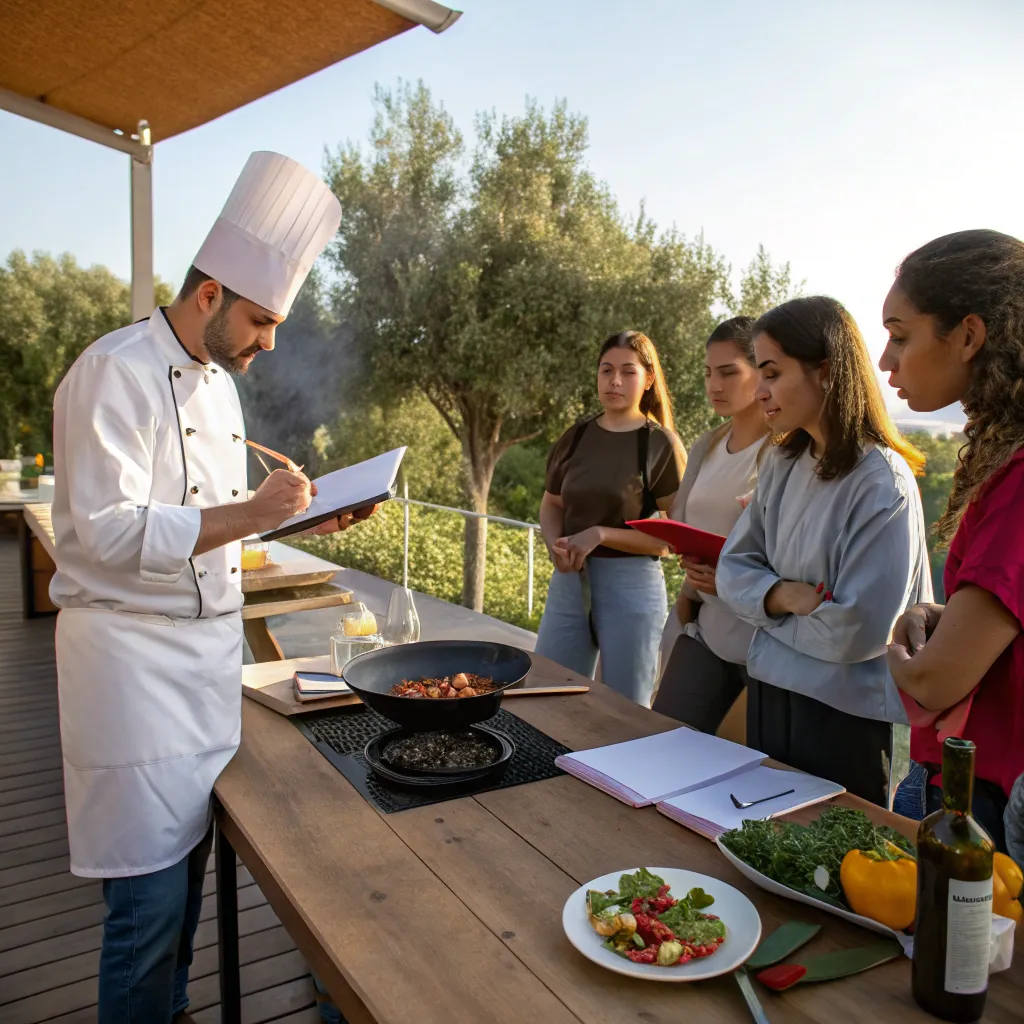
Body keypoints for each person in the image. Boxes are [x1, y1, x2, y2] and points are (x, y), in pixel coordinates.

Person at [50, 151, 377, 1024]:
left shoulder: (221, 390)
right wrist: (252, 510)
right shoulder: (111, 374)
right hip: (131, 675)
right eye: (263, 320)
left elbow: (215, 521)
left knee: (188, 891)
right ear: (210, 295)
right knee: (147, 914)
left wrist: (294, 519)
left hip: (206, 676)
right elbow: (110, 534)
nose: (269, 341)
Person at [716, 296, 932, 806]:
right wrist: (783, 597)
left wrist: (760, 607)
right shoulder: (782, 463)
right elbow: (732, 571)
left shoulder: (882, 483)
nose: (759, 390)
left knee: (833, 870)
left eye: (771, 372)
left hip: (843, 716)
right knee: (763, 843)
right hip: (771, 693)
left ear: (827, 371)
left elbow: (860, 631)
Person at [881, 229, 1024, 852]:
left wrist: (896, 648)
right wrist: (940, 614)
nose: (886, 361)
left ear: (967, 335)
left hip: (976, 807)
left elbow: (937, 680)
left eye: (901, 335)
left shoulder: (1018, 482)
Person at [535, 330, 686, 707]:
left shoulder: (659, 445)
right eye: (606, 371)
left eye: (627, 372)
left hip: (632, 586)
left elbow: (673, 538)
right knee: (546, 695)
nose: (614, 381)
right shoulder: (575, 437)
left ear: (648, 379)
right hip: (569, 580)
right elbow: (551, 504)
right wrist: (555, 544)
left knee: (624, 711)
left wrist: (600, 534)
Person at [653, 316, 769, 733]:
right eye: (707, 373)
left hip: (762, 641)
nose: (713, 385)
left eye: (727, 372)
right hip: (704, 626)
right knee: (662, 747)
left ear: (763, 371)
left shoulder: (784, 453)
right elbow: (681, 520)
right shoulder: (708, 444)